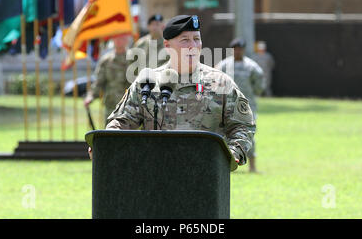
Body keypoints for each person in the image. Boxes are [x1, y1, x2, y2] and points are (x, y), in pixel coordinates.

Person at [90, 15, 255, 166]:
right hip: (154, 173)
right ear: (167, 46)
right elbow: (122, 121)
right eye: (185, 40)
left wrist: (233, 153)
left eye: (196, 39)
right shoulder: (148, 82)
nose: (193, 46)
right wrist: (105, 144)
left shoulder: (221, 82)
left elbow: (243, 124)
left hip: (205, 174)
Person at [216, 38, 265, 173]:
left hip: (247, 107)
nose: (238, 51)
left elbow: (259, 86)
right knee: (225, 134)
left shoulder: (251, 67)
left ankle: (252, 166)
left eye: (240, 49)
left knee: (248, 134)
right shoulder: (224, 66)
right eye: (235, 49)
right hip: (227, 105)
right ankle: (229, 163)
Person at [84, 34, 133, 124]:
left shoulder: (133, 59)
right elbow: (98, 82)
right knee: (109, 135)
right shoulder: (106, 60)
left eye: (122, 37)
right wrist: (91, 96)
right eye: (116, 37)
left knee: (128, 135)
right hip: (111, 106)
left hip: (129, 107)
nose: (119, 40)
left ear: (127, 40)